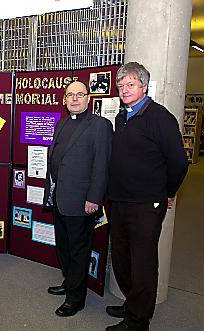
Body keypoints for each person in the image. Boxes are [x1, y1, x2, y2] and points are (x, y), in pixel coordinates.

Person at [106, 62, 188, 331]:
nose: (124, 89)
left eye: (130, 84)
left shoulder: (160, 117)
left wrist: (167, 192)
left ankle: (137, 321)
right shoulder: (122, 116)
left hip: (146, 205)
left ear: (144, 86)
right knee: (121, 257)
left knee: (142, 262)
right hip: (118, 201)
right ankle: (133, 303)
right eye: (120, 85)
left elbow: (178, 162)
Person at [43, 80, 113, 317]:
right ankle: (69, 282)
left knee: (78, 250)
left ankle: (76, 298)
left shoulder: (100, 125)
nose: (74, 99)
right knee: (63, 246)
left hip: (82, 201)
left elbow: (102, 165)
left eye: (80, 94)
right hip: (60, 198)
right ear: (64, 100)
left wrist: (94, 197)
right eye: (70, 95)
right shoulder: (62, 123)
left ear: (88, 98)